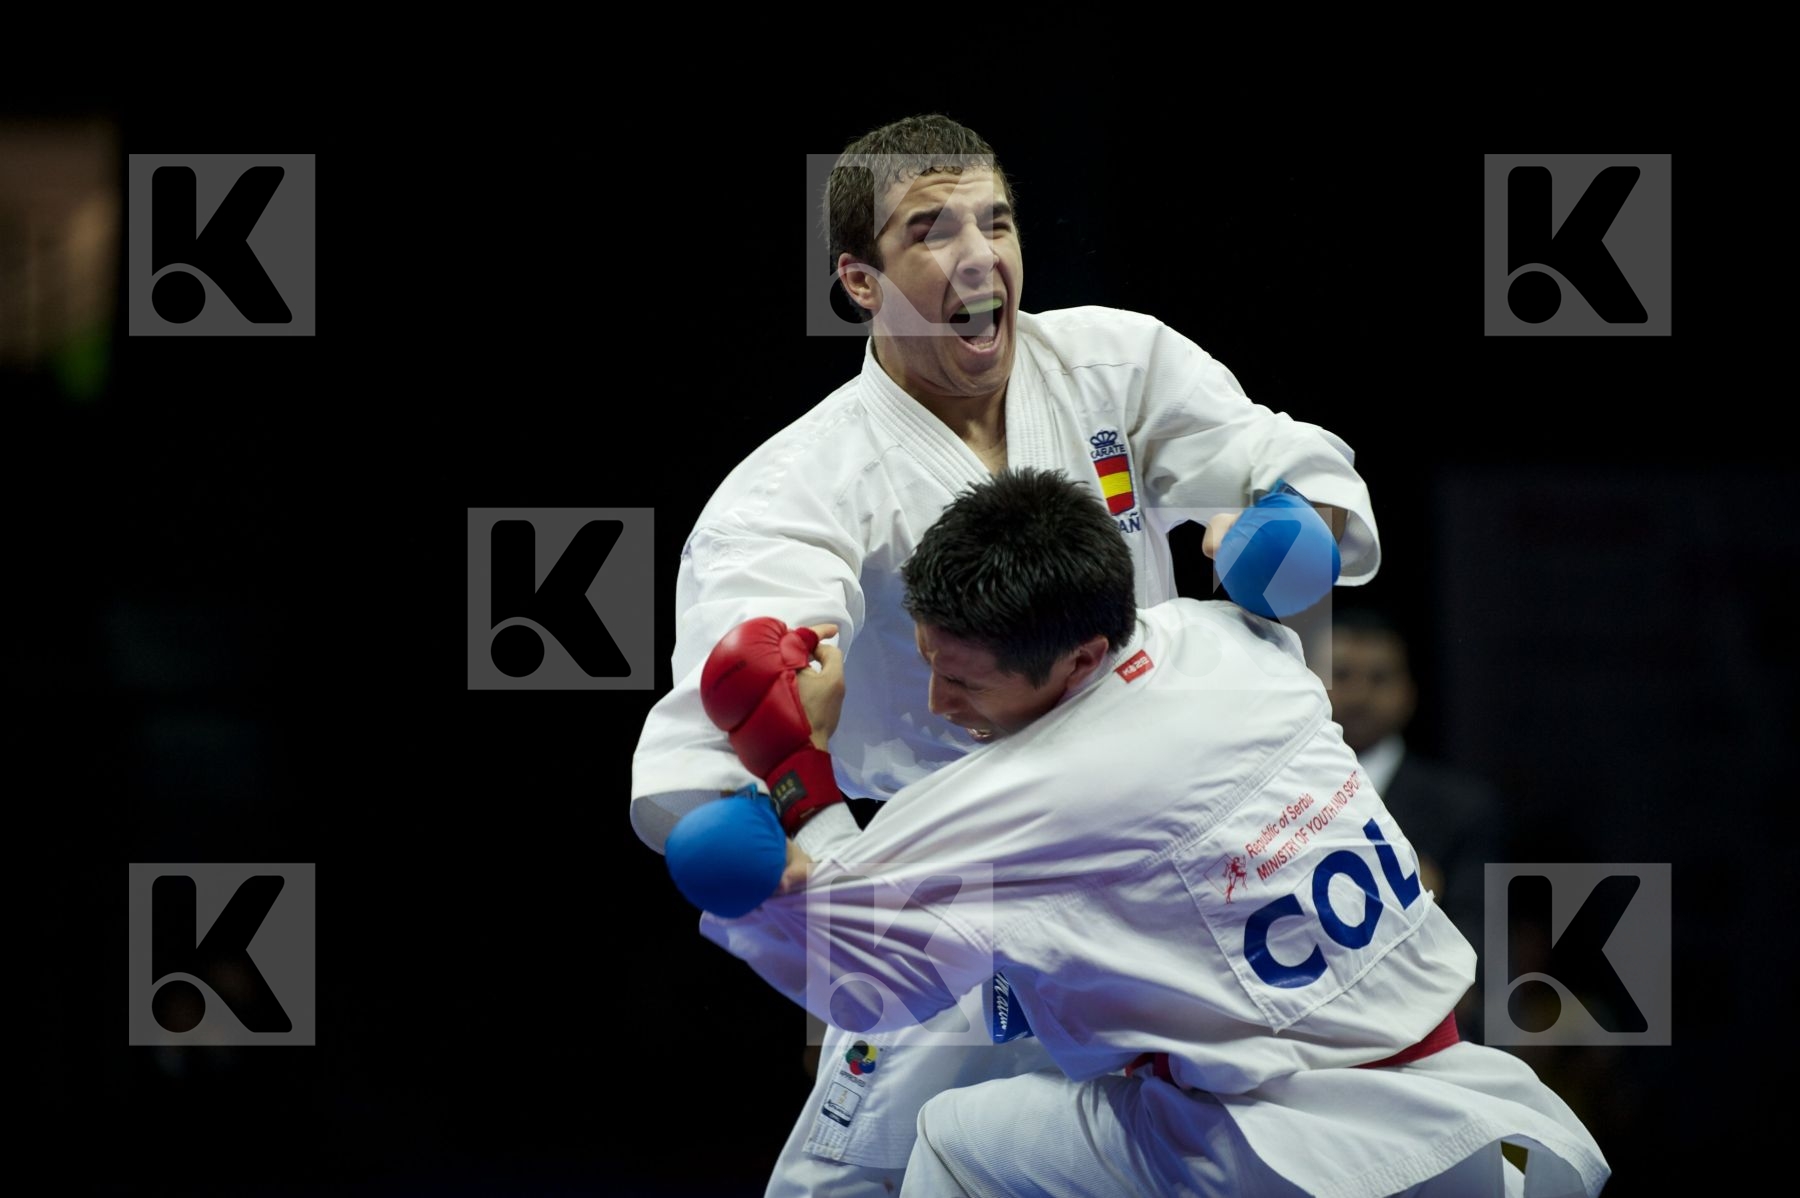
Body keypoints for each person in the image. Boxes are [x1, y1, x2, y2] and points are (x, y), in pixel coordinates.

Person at [632, 113, 1383, 1195]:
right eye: (930, 229)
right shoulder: (798, 483)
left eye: (997, 219)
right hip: (963, 858)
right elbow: (745, 665)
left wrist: (1287, 519)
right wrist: (762, 775)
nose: (980, 255)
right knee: (860, 1182)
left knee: (1244, 1145)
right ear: (858, 279)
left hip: (1163, 839)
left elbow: (1263, 453)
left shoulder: (1113, 358)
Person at [701, 468, 1610, 1197]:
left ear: (1082, 658)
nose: (939, 706)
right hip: (1452, 1111)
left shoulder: (1033, 793)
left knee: (954, 1134)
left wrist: (794, 758)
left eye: (967, 684)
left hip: (1289, 1148)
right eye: (931, 665)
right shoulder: (1226, 640)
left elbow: (855, 978)